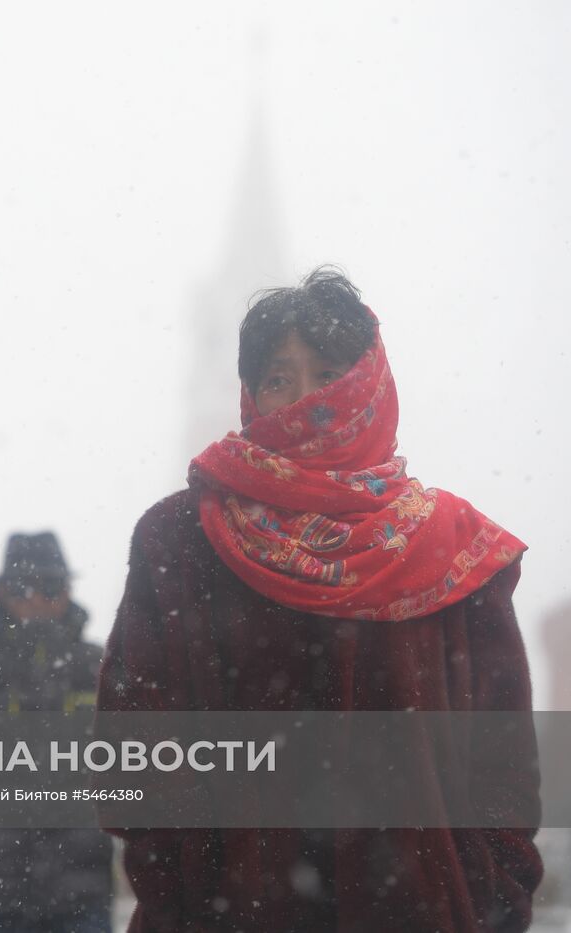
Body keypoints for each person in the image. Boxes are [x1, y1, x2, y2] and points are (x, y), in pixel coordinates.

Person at [96, 267, 540, 931]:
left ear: (368, 386)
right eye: (279, 378)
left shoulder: (452, 546)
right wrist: (185, 888)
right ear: (251, 394)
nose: (307, 401)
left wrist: (494, 895)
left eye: (329, 374)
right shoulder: (182, 539)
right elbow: (137, 749)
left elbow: (502, 763)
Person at [0, 532, 114, 933]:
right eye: (21, 585)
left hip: (84, 894)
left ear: (67, 590)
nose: (35, 598)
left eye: (48, 585)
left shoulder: (99, 665)